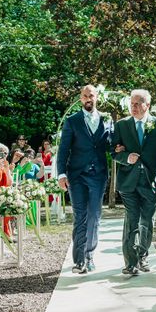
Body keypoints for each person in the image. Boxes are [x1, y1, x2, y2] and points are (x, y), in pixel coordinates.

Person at [112, 89, 156, 275]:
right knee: (132, 220)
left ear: (147, 104)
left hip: (151, 182)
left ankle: (142, 256)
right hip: (128, 182)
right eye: (132, 103)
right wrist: (125, 157)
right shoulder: (121, 125)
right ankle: (130, 263)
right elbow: (114, 152)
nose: (134, 107)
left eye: (138, 103)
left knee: (146, 221)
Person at [57, 85, 111, 273]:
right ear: (80, 99)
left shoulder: (107, 119)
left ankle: (90, 255)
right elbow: (63, 148)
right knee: (80, 216)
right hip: (76, 175)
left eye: (92, 95)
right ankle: (79, 260)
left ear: (97, 98)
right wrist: (61, 174)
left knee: (94, 216)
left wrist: (119, 149)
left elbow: (111, 144)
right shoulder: (72, 121)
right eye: (85, 96)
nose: (88, 98)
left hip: (98, 175)